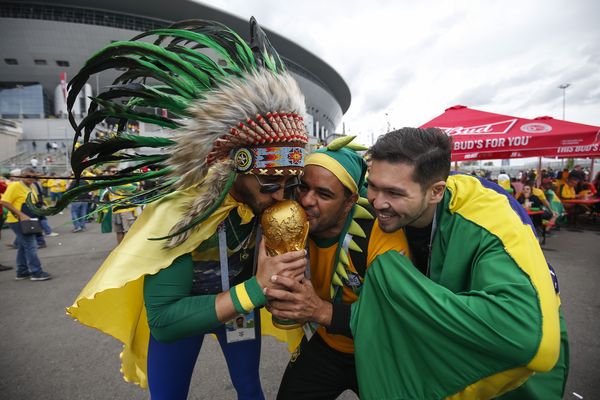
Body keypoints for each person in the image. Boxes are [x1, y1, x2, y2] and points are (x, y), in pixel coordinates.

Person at [36, 18, 311, 400]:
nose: (282, 195)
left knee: (251, 387)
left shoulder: (272, 204)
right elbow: (164, 321)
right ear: (233, 168)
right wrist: (256, 289)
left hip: (240, 316)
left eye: (290, 182)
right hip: (190, 313)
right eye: (270, 182)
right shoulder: (183, 212)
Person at [269, 128, 568, 399]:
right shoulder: (363, 205)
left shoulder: (489, 217)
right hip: (381, 351)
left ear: (436, 191)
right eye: (372, 186)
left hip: (511, 380)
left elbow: (532, 339)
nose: (376, 202)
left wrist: (329, 309)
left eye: (395, 193)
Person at [270, 137, 410, 399]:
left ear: (349, 201)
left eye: (324, 194)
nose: (307, 201)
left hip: (380, 352)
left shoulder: (382, 237)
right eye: (303, 187)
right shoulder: (293, 222)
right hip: (327, 344)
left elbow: (394, 317)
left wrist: (319, 310)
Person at [0, 168, 52, 281]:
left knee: (24, 247)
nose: (30, 178)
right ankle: (36, 272)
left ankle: (22, 272)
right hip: (17, 221)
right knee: (31, 245)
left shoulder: (32, 186)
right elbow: (4, 201)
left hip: (30, 220)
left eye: (33, 176)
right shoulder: (15, 186)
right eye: (28, 176)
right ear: (22, 175)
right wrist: (20, 214)